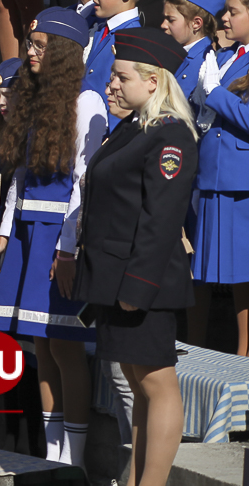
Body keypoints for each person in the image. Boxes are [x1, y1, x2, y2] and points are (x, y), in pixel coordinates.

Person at [0, 7, 103, 467]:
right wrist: (4, 234)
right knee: (43, 346)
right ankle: (51, 453)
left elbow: (83, 182)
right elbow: (19, 180)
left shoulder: (86, 101)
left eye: (39, 46)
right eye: (30, 44)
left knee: (65, 345)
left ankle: (75, 456)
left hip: (59, 237)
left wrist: (67, 249)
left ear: (64, 53)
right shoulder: (34, 98)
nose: (30, 52)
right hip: (28, 235)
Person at [74, 29, 194, 486]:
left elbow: (161, 222)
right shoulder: (135, 127)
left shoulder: (170, 137)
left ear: (153, 80)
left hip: (142, 283)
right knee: (138, 384)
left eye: (123, 77)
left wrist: (137, 290)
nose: (114, 84)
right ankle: (136, 479)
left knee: (157, 383)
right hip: (115, 278)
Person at [193, 0, 249, 354]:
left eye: (233, 11)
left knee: (243, 278)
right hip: (212, 176)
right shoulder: (229, 55)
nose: (224, 18)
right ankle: (198, 350)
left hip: (239, 181)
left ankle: (243, 359)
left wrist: (213, 92)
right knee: (205, 272)